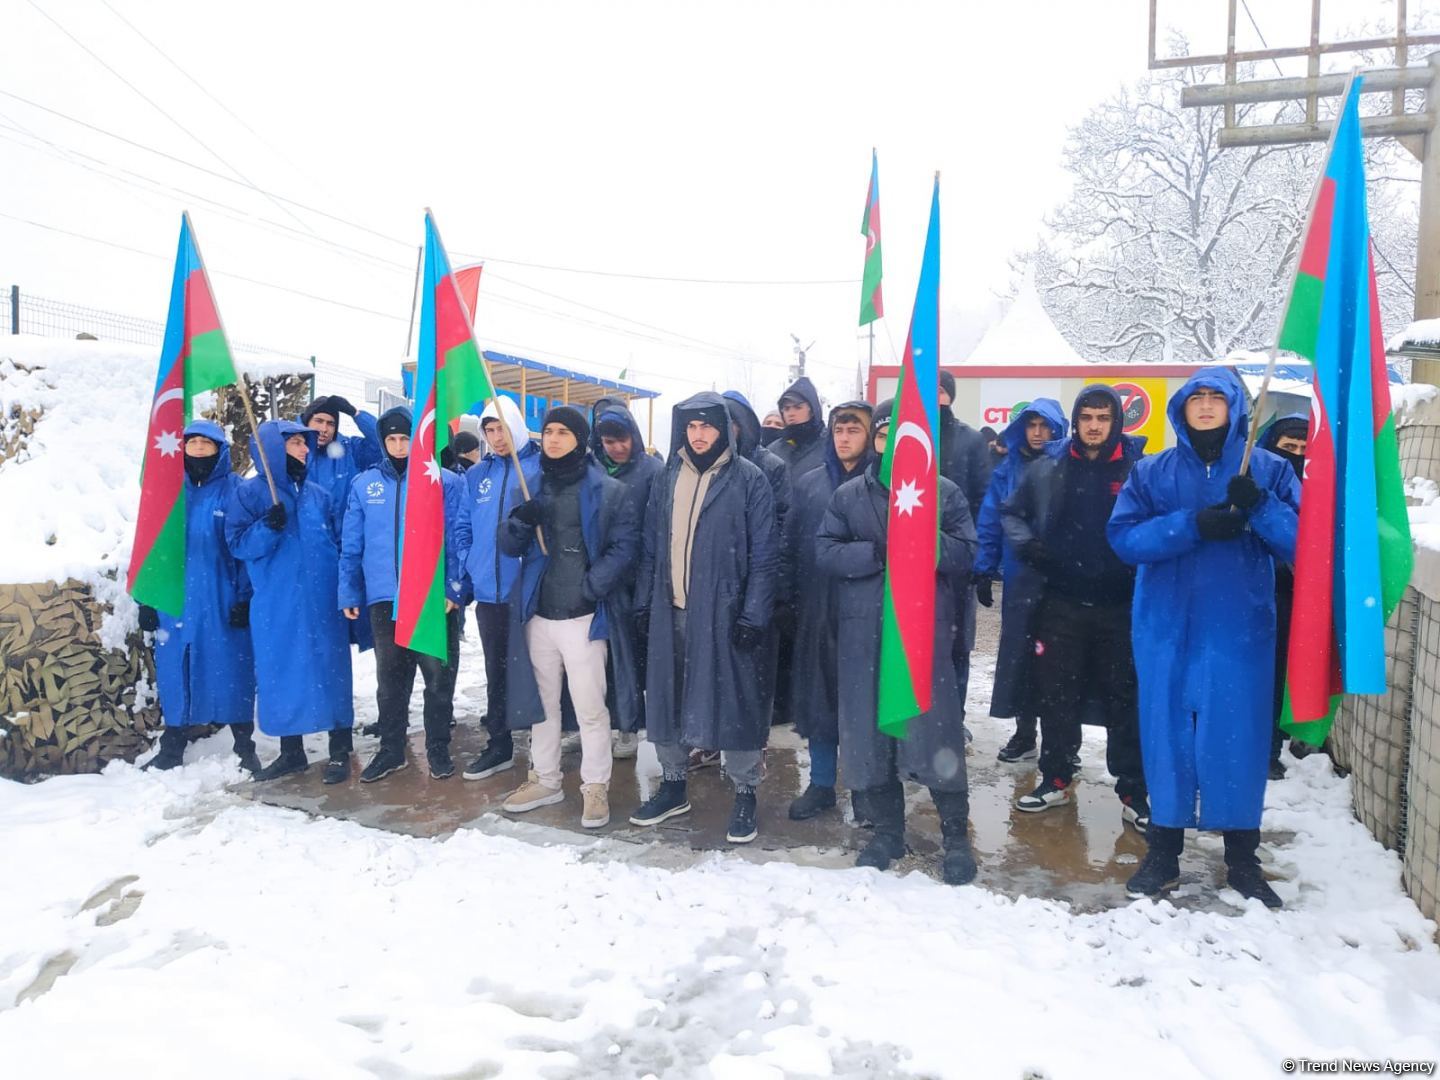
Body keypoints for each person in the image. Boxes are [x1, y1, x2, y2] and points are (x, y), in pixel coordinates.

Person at [1109, 371, 1300, 908]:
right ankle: (1164, 850)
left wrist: (1261, 508)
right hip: (1166, 627)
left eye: (1219, 397)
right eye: (1199, 398)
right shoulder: (1151, 472)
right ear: (1182, 409)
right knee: (1165, 736)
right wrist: (1190, 525)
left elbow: (1306, 546)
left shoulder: (1268, 470)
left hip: (1238, 629)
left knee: (1237, 739)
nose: (1209, 406)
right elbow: (1124, 538)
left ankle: (1243, 858)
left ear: (1237, 407)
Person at [814, 400, 980, 884]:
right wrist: (878, 551)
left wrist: (923, 540)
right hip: (865, 636)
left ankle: (954, 837)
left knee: (935, 734)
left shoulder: (944, 493)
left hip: (922, 638)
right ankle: (887, 832)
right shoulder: (848, 496)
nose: (890, 446)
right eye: (883, 436)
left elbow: (967, 552)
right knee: (872, 737)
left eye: (900, 436)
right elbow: (825, 550)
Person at [629, 393, 778, 844]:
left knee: (735, 702)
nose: (699, 436)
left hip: (725, 613)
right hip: (670, 609)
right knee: (667, 699)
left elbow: (765, 557)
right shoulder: (667, 476)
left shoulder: (749, 480)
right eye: (691, 427)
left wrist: (753, 614)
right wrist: (643, 601)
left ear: (726, 429)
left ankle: (745, 789)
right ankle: (673, 785)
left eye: (707, 427)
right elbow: (652, 545)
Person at [1001, 385, 1150, 833]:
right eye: (1087, 416)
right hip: (1061, 602)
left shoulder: (1138, 468)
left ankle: (1133, 790)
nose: (1094, 426)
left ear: (1116, 422)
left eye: (1103, 418)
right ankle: (1057, 776)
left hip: (1120, 605)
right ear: (1076, 419)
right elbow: (1012, 512)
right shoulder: (1050, 464)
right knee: (1057, 695)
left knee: (1125, 698)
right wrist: (1032, 549)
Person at [495, 406, 639, 829]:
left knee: (590, 707)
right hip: (539, 613)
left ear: (580, 438)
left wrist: (592, 586)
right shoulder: (529, 484)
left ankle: (595, 785)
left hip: (583, 617)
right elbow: (506, 543)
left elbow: (625, 547)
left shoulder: (607, 490)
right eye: (549, 432)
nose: (554, 439)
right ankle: (546, 778)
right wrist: (522, 522)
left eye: (563, 432)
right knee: (542, 706)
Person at [340, 406, 466, 782]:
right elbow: (352, 543)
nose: (398, 446)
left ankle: (438, 748)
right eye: (391, 439)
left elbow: (458, 539)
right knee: (390, 681)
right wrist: (349, 590)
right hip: (384, 597)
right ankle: (391, 749)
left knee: (438, 678)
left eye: (405, 438)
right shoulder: (365, 485)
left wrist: (453, 586)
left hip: (430, 596)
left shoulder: (443, 481)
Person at [226, 420, 355, 782]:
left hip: (324, 598)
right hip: (277, 601)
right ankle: (292, 751)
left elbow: (340, 541)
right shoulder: (249, 495)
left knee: (333, 671)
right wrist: (268, 526)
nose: (303, 448)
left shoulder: (319, 493)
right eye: (295, 442)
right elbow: (237, 544)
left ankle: (340, 750)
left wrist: (346, 589)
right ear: (271, 449)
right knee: (281, 672)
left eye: (304, 442)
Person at [139, 420, 258, 774]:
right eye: (193, 444)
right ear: (182, 448)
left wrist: (244, 597)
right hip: (176, 600)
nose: (200, 450)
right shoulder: (168, 493)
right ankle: (172, 747)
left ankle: (244, 745)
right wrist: (146, 598)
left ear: (220, 449)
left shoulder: (235, 491)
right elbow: (151, 548)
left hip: (222, 596)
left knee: (233, 669)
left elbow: (245, 549)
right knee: (177, 671)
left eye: (208, 444)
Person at [783, 401, 873, 820]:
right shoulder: (809, 484)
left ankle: (866, 788)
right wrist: (786, 599)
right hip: (817, 609)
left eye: (854, 429)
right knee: (820, 703)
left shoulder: (884, 485)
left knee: (862, 705)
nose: (844, 437)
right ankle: (821, 784)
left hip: (869, 613)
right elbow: (789, 545)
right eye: (839, 429)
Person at [972, 398, 1068, 764]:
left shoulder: (1068, 465)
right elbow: (991, 520)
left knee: (1062, 660)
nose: (1039, 433)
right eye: (1032, 425)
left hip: (1062, 578)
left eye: (1046, 426)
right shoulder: (1006, 470)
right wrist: (984, 567)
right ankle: (1025, 732)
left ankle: (1063, 743)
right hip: (1020, 577)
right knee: (1021, 656)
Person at [457, 397, 541, 782]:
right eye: (489, 431)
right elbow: (463, 527)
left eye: (502, 429)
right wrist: (469, 566)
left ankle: (544, 747)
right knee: (497, 669)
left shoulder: (539, 469)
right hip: (490, 593)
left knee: (539, 671)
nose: (496, 437)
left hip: (528, 590)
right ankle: (500, 743)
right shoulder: (478, 476)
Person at [590, 395, 664, 757]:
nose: (617, 448)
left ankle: (629, 726)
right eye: (608, 441)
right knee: (594, 658)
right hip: (599, 577)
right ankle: (591, 722)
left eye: (622, 440)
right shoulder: (593, 470)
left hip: (637, 579)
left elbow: (656, 532)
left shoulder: (652, 472)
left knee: (629, 660)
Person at [724, 390, 793, 736]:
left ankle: (752, 748)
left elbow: (780, 532)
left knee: (755, 672)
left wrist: (774, 590)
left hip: (757, 582)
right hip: (719, 584)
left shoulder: (769, 467)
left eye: (731, 422)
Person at [937, 370, 992, 734]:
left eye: (940, 390)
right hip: (909, 558)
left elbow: (984, 500)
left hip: (956, 557)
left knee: (956, 643)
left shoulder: (970, 441)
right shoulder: (907, 435)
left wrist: (979, 558)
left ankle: (953, 717)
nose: (934, 396)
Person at [1259, 413, 1308, 780]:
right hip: (1245, 592)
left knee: (1275, 676)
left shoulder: (1316, 493)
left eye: (1303, 450)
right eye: (1288, 447)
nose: (1294, 455)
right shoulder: (1254, 477)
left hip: (1289, 595)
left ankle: (1268, 750)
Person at [299, 395, 381, 527]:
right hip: (304, 538)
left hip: (342, 539)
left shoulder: (349, 450)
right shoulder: (292, 449)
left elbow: (381, 444)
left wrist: (356, 414)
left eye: (330, 424)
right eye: (319, 421)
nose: (324, 429)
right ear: (306, 422)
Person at [768, 377, 827, 479]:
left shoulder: (830, 445)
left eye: (798, 407)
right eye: (786, 409)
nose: (791, 413)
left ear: (812, 410)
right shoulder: (774, 450)